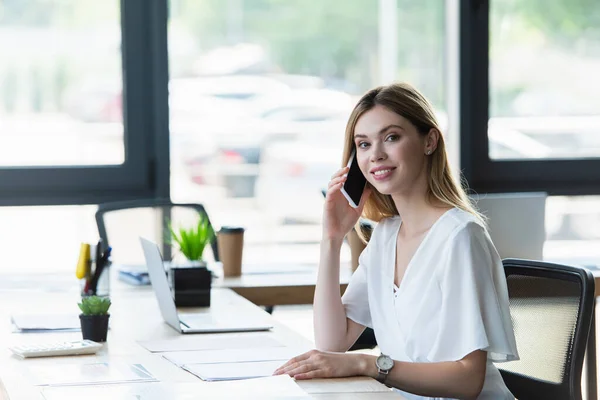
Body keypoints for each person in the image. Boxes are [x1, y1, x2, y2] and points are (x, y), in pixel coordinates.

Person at [273, 82, 519, 399]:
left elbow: (468, 380)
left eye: (391, 137)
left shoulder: (460, 237)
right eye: (363, 145)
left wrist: (369, 363)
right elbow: (331, 344)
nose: (376, 154)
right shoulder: (386, 236)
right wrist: (332, 240)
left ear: (429, 141)